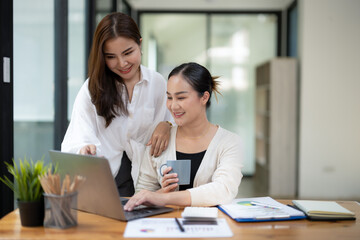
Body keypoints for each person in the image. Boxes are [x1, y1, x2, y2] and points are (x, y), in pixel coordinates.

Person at [61, 12, 172, 197]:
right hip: (104, 178)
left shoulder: (157, 82)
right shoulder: (92, 88)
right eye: (111, 56)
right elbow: (78, 134)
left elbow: (172, 120)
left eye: (128, 52)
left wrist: (166, 126)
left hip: (144, 179)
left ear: (140, 44)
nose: (122, 63)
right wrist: (84, 148)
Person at [124, 62, 243, 210]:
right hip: (167, 228)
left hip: (212, 228)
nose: (173, 106)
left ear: (204, 97)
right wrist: (161, 192)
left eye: (181, 98)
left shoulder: (229, 142)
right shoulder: (160, 139)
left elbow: (223, 190)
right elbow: (141, 195)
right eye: (169, 97)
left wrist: (164, 198)